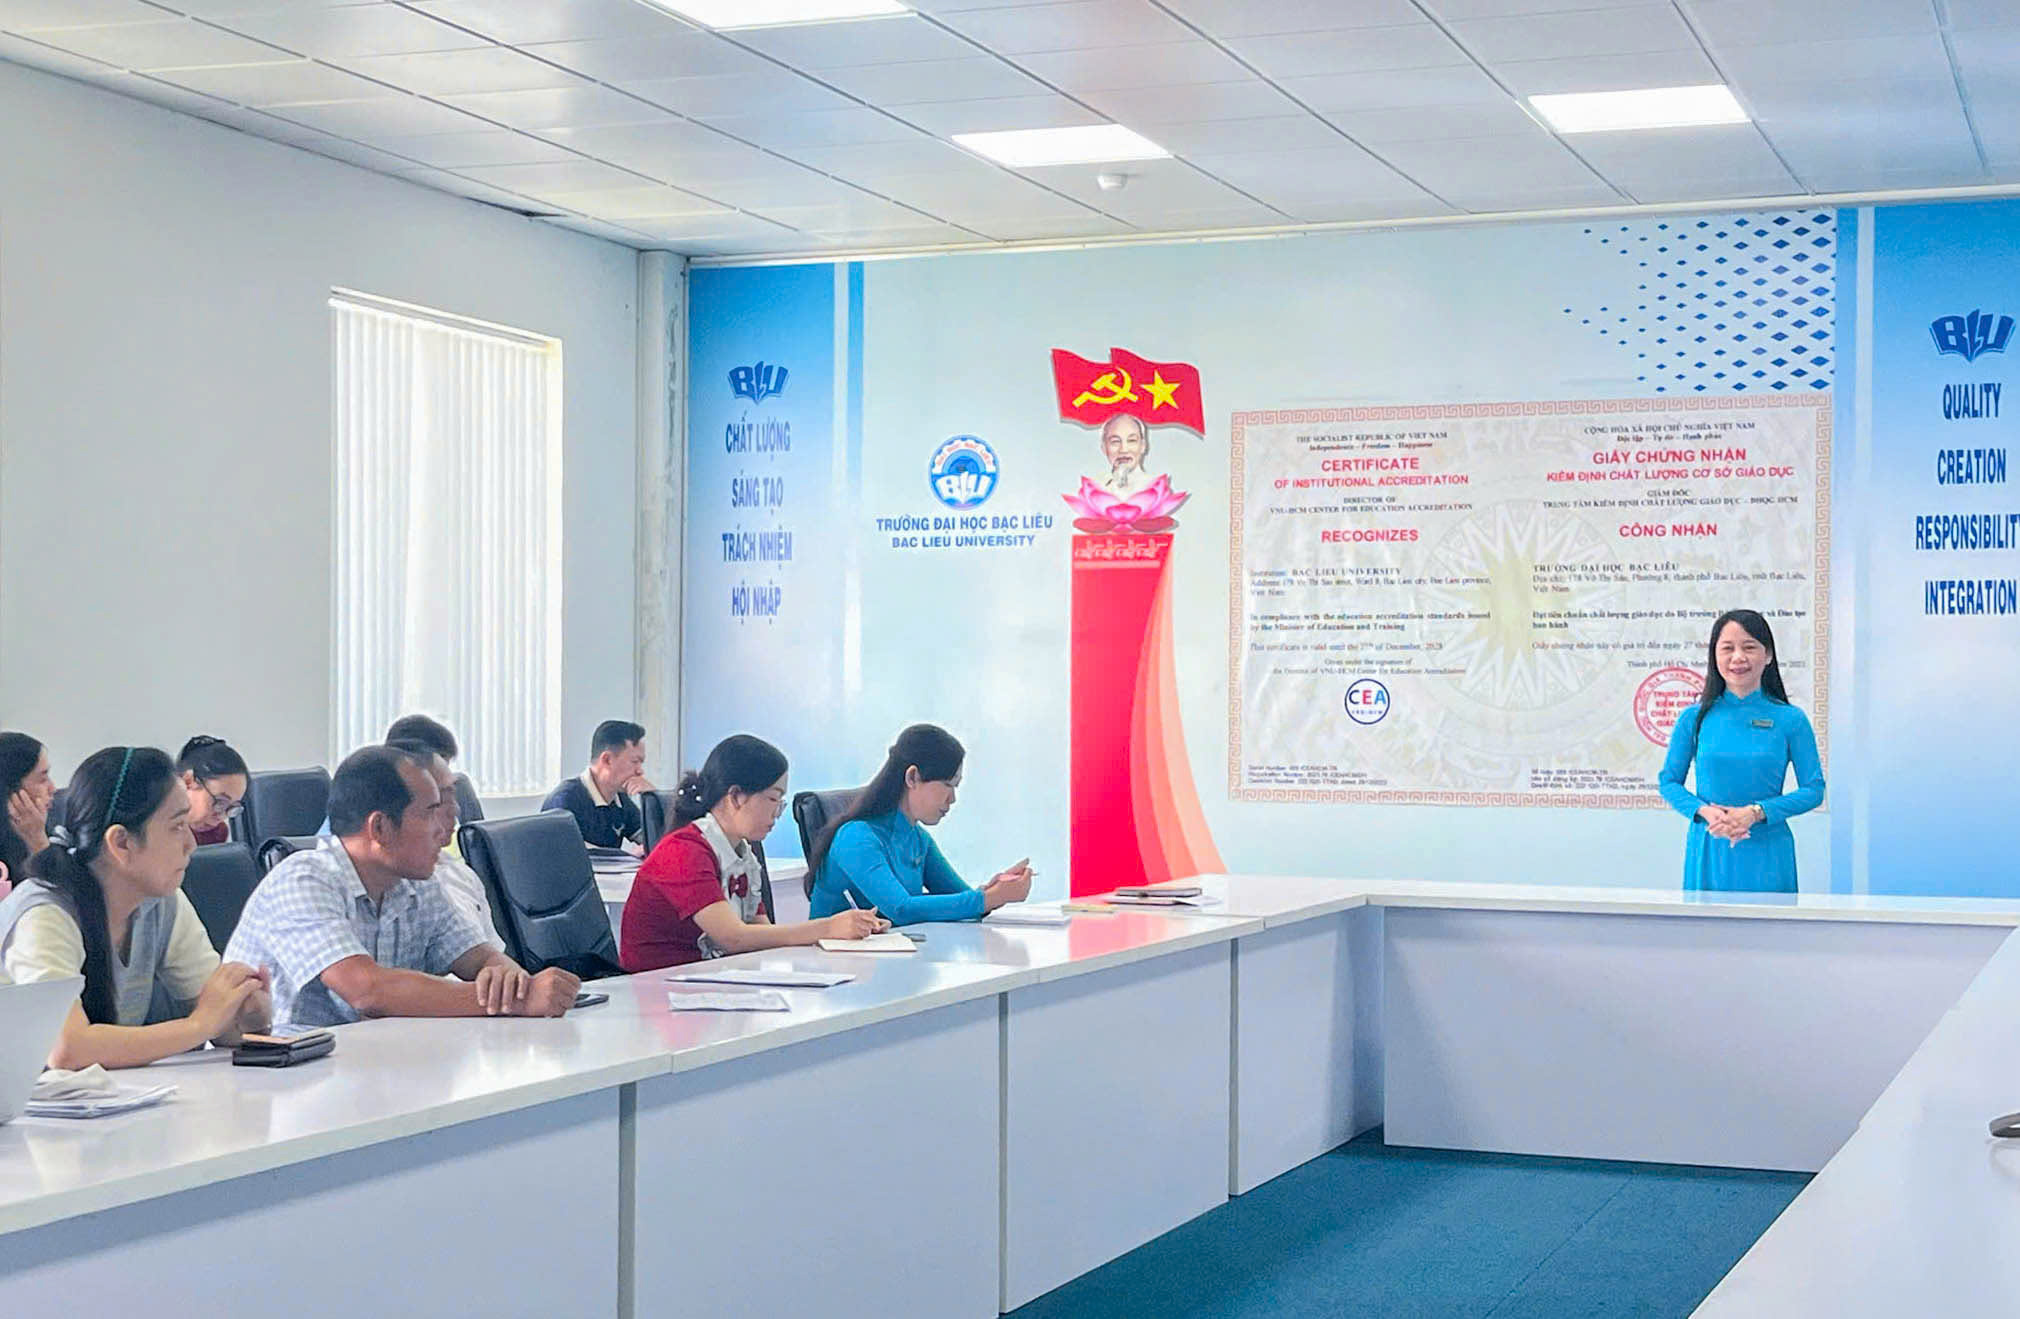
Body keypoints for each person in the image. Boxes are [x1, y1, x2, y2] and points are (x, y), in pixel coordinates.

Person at [227, 745, 578, 1029]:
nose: (443, 829)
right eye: (428, 813)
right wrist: (509, 1002)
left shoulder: (417, 884)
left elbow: (479, 956)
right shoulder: (303, 880)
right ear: (380, 828)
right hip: (284, 1079)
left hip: (377, 1065)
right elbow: (366, 990)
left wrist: (507, 979)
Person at [0, 746, 271, 1068]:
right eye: (176, 826)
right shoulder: (44, 913)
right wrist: (200, 1025)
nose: (191, 844)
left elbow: (219, 1019)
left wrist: (247, 1015)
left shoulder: (161, 902)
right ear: (121, 843)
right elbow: (66, 1049)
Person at [621, 735, 886, 972]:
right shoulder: (684, 851)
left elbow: (760, 933)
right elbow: (733, 937)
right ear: (736, 796)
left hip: (709, 981)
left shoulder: (742, 854)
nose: (777, 813)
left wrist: (851, 928)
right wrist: (827, 928)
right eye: (772, 799)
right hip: (656, 989)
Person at [1657, 609, 1825, 893]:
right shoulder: (1693, 718)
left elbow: (1814, 789)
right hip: (1711, 843)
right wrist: (1704, 811)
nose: (1738, 657)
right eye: (1727, 648)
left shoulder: (1790, 719)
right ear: (1714, 656)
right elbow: (1669, 781)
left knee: (1770, 922)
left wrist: (1757, 812)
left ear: (1768, 655)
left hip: (1768, 850)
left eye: (1749, 647)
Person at [807, 724, 1034, 927]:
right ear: (912, 777)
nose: (952, 798)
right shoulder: (855, 837)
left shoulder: (918, 839)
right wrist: (989, 898)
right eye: (948, 785)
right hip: (837, 958)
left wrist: (994, 891)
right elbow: (901, 909)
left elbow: (965, 901)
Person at [387, 736, 505, 946]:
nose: (455, 810)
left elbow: (485, 958)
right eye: (438, 800)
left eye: (453, 795)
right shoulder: (376, 886)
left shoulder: (459, 874)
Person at [543, 720, 654, 851]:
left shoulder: (620, 800)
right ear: (607, 759)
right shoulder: (564, 800)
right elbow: (569, 855)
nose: (640, 771)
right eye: (635, 761)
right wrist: (624, 857)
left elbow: (656, 841)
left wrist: (654, 798)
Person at [1, 732, 57, 898]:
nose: (52, 788)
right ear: (10, 790)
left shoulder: (55, 831)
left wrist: (38, 841)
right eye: (42, 779)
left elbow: (64, 903)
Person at [177, 735, 249, 846]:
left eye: (231, 808)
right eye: (220, 802)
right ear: (188, 781)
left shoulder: (215, 834)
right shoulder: (153, 829)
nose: (221, 817)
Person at [1098, 413, 1152, 496]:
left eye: (1132, 440)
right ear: (1104, 448)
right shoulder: (1097, 489)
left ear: (1143, 446)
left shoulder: (1154, 488)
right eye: (1115, 441)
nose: (1124, 450)